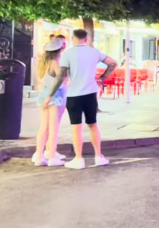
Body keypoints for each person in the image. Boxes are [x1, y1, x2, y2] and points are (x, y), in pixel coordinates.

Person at [43, 29, 117, 170]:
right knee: (93, 125)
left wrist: (50, 95)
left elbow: (60, 77)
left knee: (76, 128)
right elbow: (113, 63)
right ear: (86, 38)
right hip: (90, 93)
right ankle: (98, 156)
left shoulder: (67, 54)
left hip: (74, 95)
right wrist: (101, 79)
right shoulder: (94, 52)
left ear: (72, 38)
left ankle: (79, 159)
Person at [34, 39, 69, 167]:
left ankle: (39, 155)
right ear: (59, 50)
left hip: (42, 96)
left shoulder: (42, 63)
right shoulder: (54, 63)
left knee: (44, 127)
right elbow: (62, 79)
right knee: (54, 128)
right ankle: (52, 156)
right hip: (55, 97)